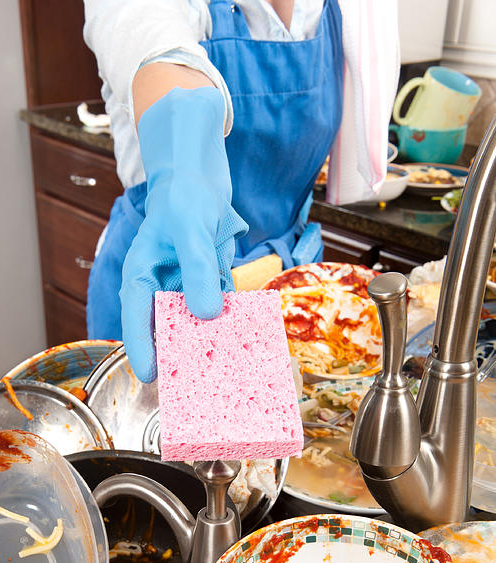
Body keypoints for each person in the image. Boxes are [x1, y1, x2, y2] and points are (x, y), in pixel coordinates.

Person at [83, 0, 400, 383]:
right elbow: (146, 32)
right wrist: (184, 151)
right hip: (168, 279)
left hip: (288, 290)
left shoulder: (348, 10)